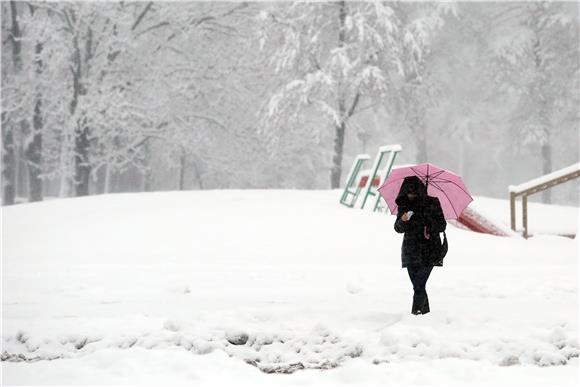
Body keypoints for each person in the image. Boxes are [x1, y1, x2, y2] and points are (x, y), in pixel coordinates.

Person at [394, 176, 447, 315]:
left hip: (430, 250)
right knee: (418, 285)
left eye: (414, 193)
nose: (411, 196)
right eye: (408, 193)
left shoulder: (432, 202)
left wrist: (428, 223)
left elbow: (442, 225)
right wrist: (403, 220)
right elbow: (398, 228)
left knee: (419, 284)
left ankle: (416, 313)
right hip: (410, 250)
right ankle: (425, 313)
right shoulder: (404, 205)